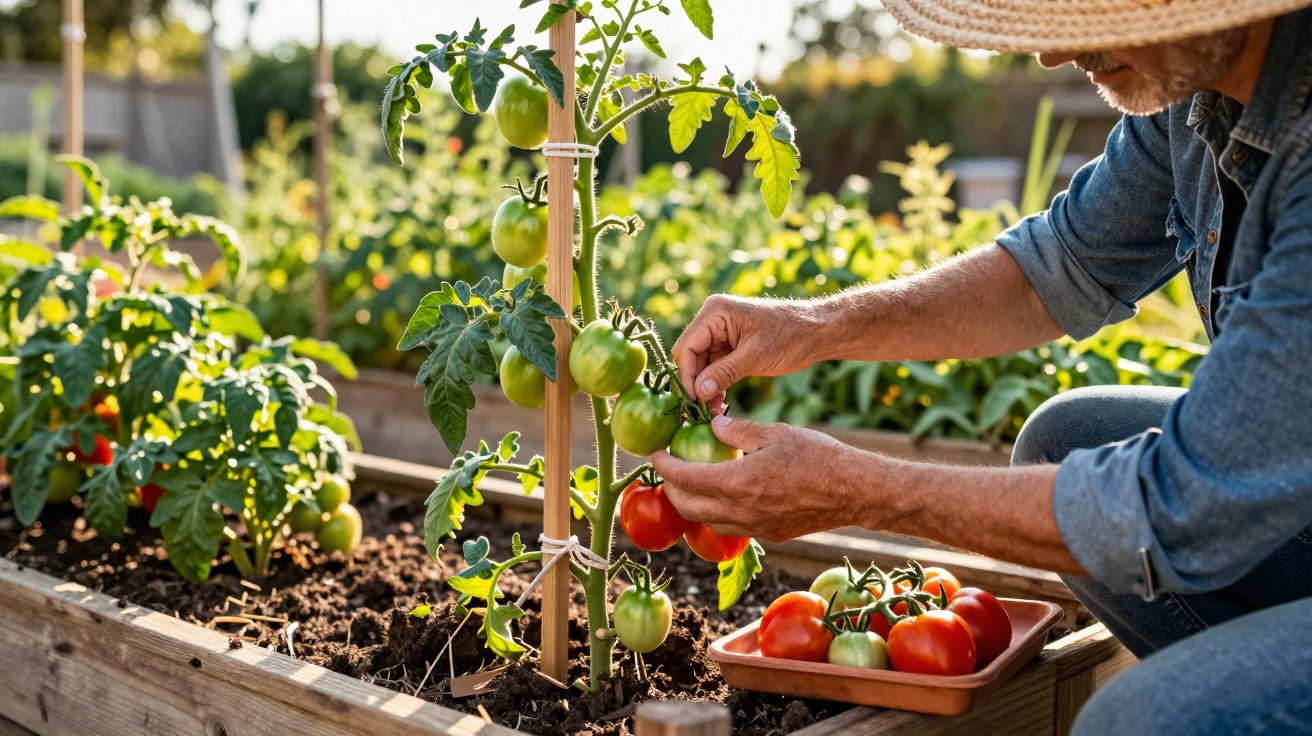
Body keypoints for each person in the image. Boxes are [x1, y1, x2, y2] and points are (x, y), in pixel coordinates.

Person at [649, 1, 1312, 732]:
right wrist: (814, 325)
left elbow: (1176, 508)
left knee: (1141, 719)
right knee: (1069, 438)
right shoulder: (1193, 101)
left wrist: (861, 489)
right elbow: (1059, 264)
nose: (1053, 56)